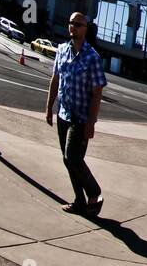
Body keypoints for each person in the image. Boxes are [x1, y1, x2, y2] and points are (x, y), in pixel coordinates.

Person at [45, 12, 107, 216]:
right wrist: (49, 108)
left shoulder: (92, 58)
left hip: (80, 119)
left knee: (72, 156)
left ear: (85, 29)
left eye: (78, 25)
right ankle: (80, 202)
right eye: (71, 23)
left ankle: (94, 191)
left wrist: (92, 122)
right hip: (63, 113)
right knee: (67, 159)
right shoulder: (62, 50)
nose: (73, 27)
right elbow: (55, 80)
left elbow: (97, 92)